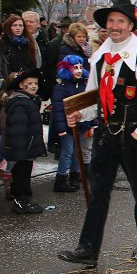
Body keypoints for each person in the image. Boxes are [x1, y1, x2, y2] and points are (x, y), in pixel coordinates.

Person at [57, 0, 137, 267]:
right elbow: (94, 98)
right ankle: (87, 249)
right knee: (98, 193)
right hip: (105, 136)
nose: (115, 27)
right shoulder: (99, 58)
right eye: (111, 22)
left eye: (121, 22)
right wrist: (81, 115)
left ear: (131, 26)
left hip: (132, 137)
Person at [0, 68, 47, 214]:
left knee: (24, 175)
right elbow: (18, 130)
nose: (34, 86)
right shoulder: (20, 103)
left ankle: (24, 201)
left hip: (27, 147)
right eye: (30, 83)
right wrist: (20, 152)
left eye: (35, 83)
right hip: (21, 149)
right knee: (20, 176)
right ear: (21, 86)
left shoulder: (28, 101)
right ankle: (21, 203)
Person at [50, 55, 94, 192]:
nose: (79, 70)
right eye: (75, 68)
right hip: (68, 126)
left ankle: (75, 176)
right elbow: (57, 110)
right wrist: (61, 128)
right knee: (67, 151)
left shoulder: (83, 85)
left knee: (78, 152)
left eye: (81, 67)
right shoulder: (60, 88)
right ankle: (61, 178)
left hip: (81, 124)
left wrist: (92, 122)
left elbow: (89, 104)